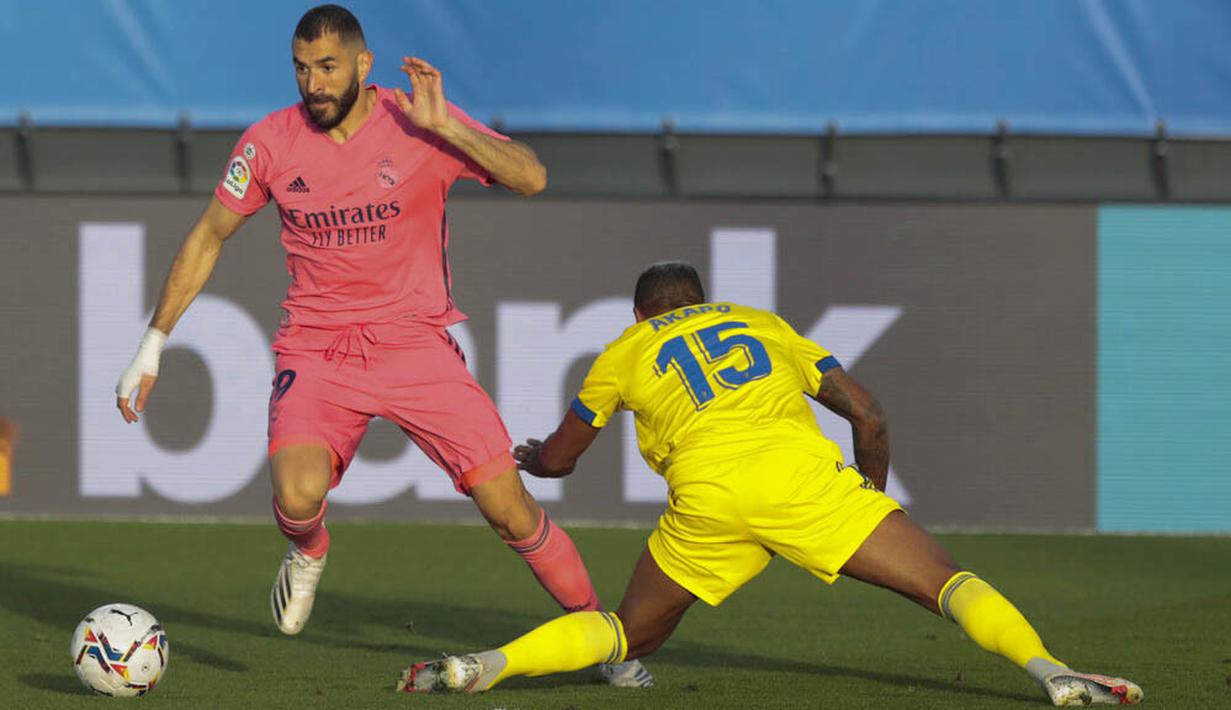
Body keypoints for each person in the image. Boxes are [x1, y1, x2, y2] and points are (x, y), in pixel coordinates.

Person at [113, 3, 649, 687]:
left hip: (414, 345)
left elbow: (531, 177)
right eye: (302, 69)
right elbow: (209, 234)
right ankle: (308, 551)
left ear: (363, 67)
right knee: (297, 494)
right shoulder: (269, 143)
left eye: (328, 67)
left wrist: (447, 123)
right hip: (317, 348)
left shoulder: (416, 122)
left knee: (509, 508)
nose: (314, 84)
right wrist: (153, 344)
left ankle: (600, 638)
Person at [400, 261, 1142, 706]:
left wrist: (532, 459)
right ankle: (1052, 672)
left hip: (710, 500)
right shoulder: (761, 324)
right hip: (802, 485)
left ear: (638, 313)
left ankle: (484, 665)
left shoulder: (624, 351)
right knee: (944, 584)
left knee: (629, 633)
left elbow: (562, 459)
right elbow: (868, 413)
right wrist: (869, 497)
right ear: (703, 299)